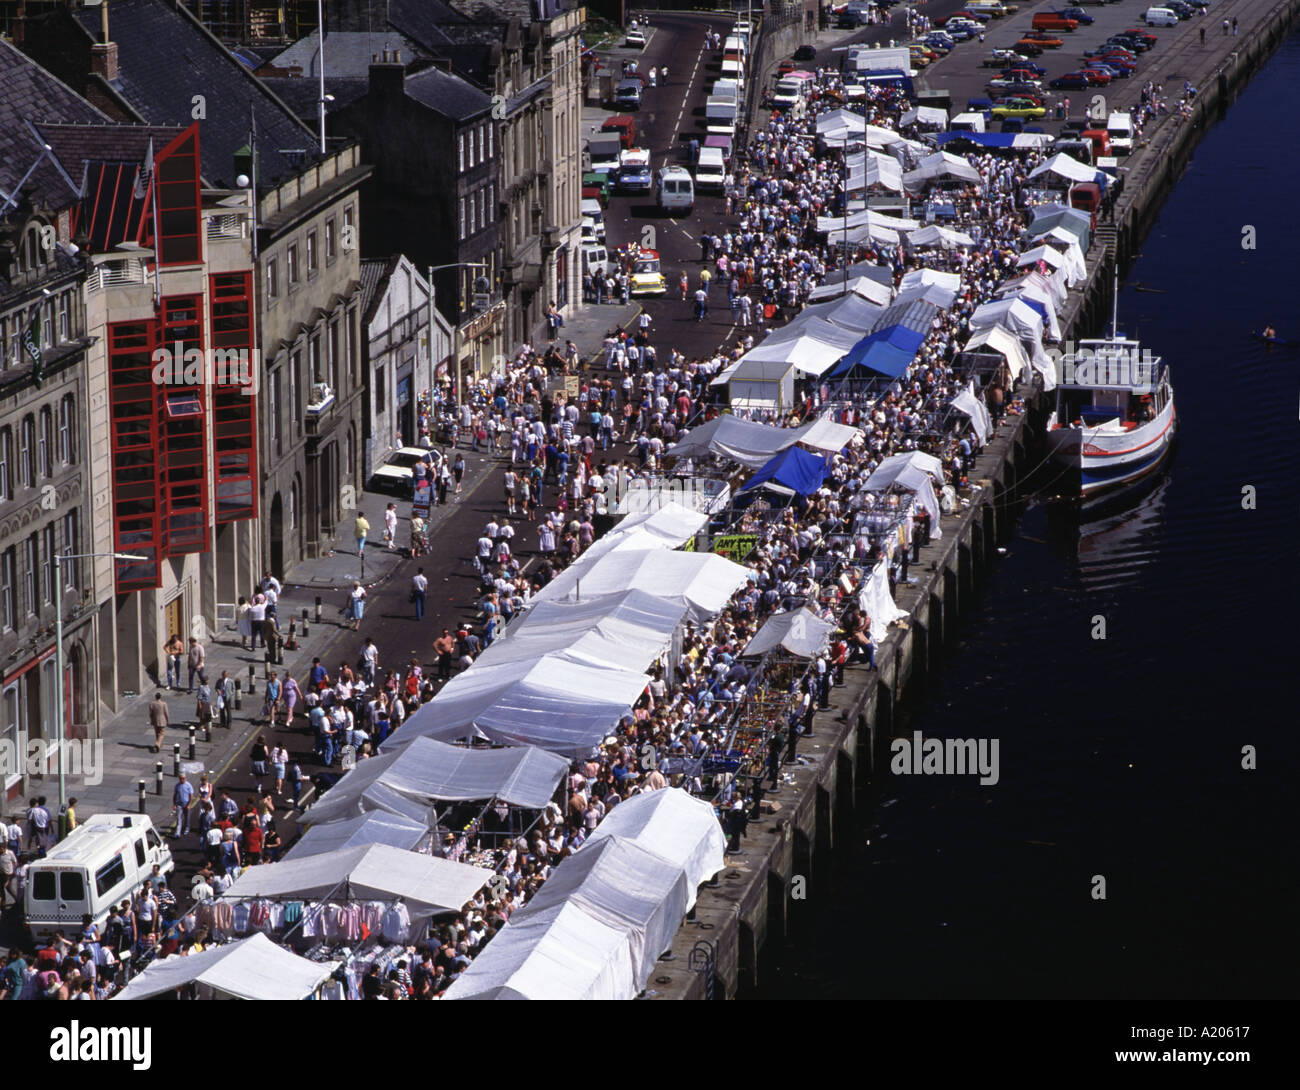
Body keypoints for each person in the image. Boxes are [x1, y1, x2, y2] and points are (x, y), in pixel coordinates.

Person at [172, 773, 194, 837]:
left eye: (183, 778)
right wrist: (174, 805)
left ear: (185, 778)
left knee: (187, 817)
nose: (182, 780)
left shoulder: (188, 785)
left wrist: (189, 805)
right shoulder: (177, 786)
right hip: (179, 804)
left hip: (186, 804)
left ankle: (187, 828)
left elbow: (191, 796)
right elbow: (175, 795)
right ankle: (177, 833)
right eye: (181, 778)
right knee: (178, 818)